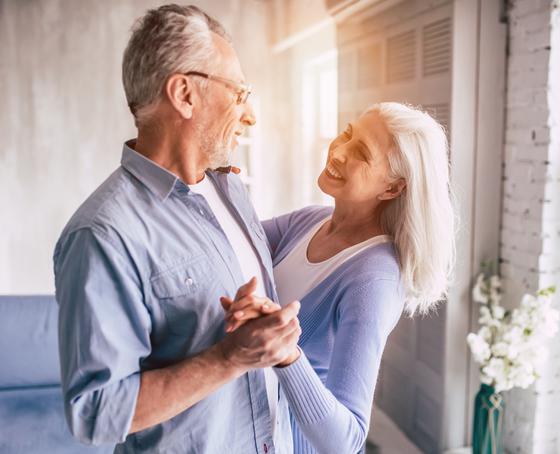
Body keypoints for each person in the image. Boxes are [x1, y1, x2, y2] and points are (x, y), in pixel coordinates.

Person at [53, 5, 300, 453]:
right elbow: (96, 412)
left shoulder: (230, 188)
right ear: (184, 94)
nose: (250, 115)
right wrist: (230, 358)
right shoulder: (102, 235)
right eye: (239, 92)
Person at [223, 102, 456, 453]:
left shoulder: (373, 280)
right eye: (347, 133)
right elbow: (229, 247)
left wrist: (287, 354)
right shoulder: (309, 221)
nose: (339, 150)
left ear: (392, 189)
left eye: (361, 152)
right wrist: (224, 194)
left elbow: (346, 441)